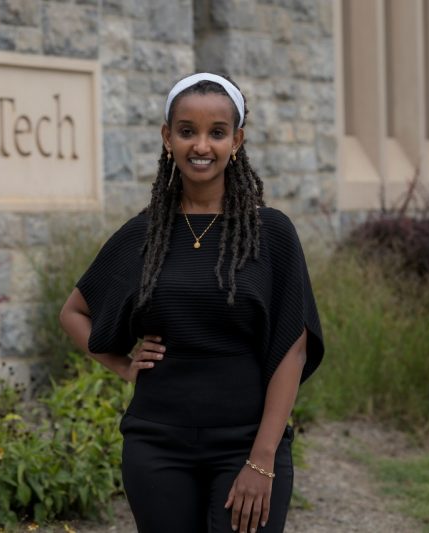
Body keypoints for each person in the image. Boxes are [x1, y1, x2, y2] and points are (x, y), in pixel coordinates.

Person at [59, 72, 324, 533]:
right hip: (157, 446)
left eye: (216, 132)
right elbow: (74, 312)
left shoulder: (272, 234)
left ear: (236, 140)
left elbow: (292, 349)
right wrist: (123, 365)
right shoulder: (143, 235)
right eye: (187, 131)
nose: (201, 145)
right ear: (168, 137)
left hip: (245, 443)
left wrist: (262, 461)